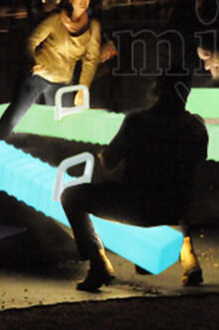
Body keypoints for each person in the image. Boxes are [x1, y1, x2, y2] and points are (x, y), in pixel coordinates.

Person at [61, 72, 208, 291]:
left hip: (137, 207)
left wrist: (102, 155)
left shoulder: (137, 120)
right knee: (177, 187)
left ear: (157, 89)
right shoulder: (196, 125)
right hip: (177, 209)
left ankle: (98, 263)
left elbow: (109, 161)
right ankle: (189, 259)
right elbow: (198, 166)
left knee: (71, 196)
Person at [0, 0, 101, 139]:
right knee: (15, 117)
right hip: (40, 75)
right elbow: (31, 41)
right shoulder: (56, 20)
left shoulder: (92, 27)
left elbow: (91, 60)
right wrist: (33, 63)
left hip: (63, 81)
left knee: (61, 128)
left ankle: (55, 153)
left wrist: (82, 88)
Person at [161, 0, 219, 83]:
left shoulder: (173, 25)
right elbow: (210, 44)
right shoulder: (194, 24)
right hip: (190, 76)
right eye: (200, 0)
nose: (201, 4)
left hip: (178, 76)